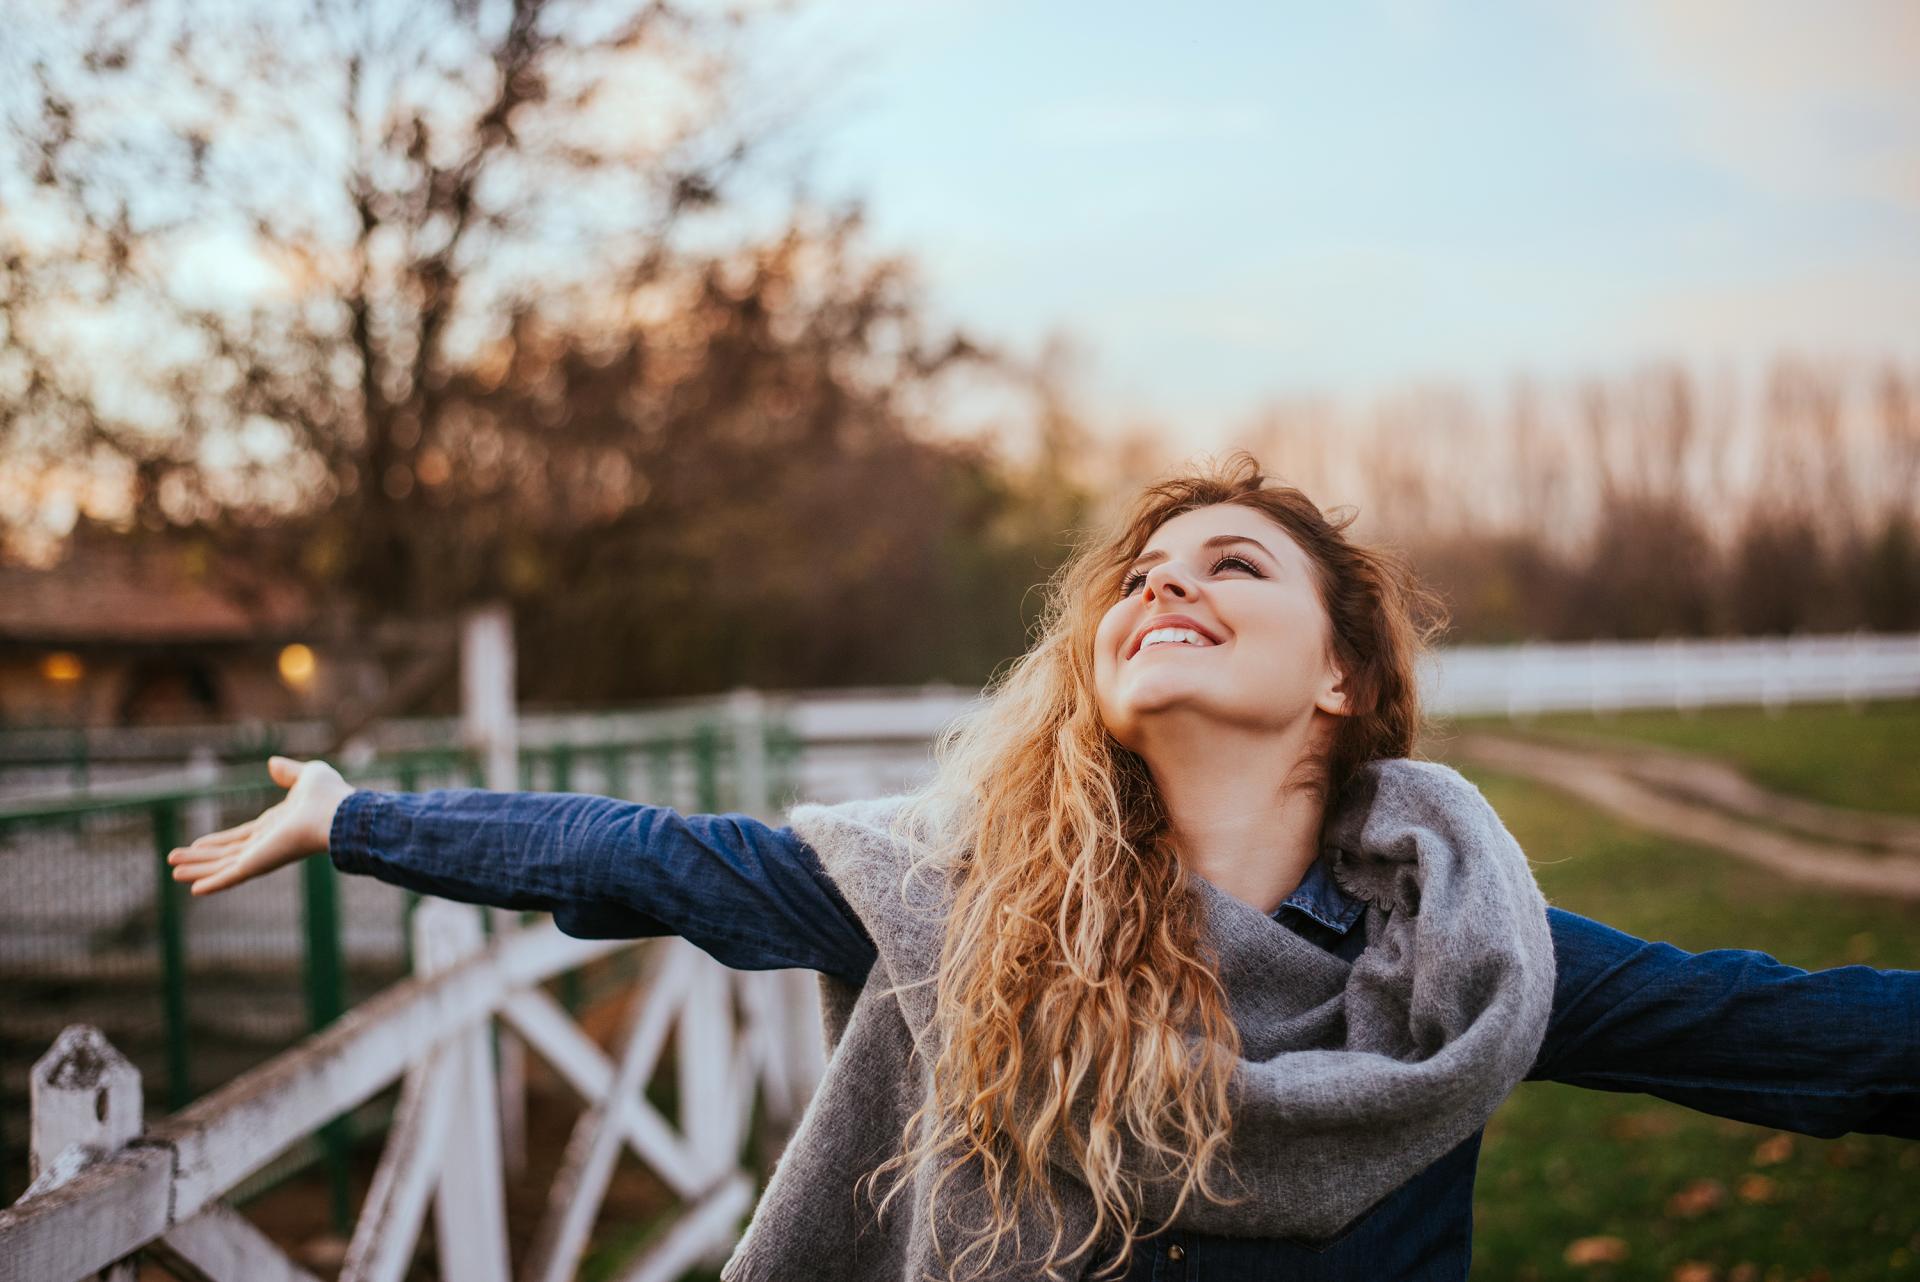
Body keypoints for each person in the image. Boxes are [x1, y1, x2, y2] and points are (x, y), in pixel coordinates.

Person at [170, 452, 1917, 1282]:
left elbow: (1788, 1032)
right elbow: (661, 860)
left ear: (1338, 676)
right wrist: (356, 813)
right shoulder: (970, 913)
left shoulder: (1457, 962)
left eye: (1230, 564)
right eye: (1142, 573)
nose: (1163, 584)